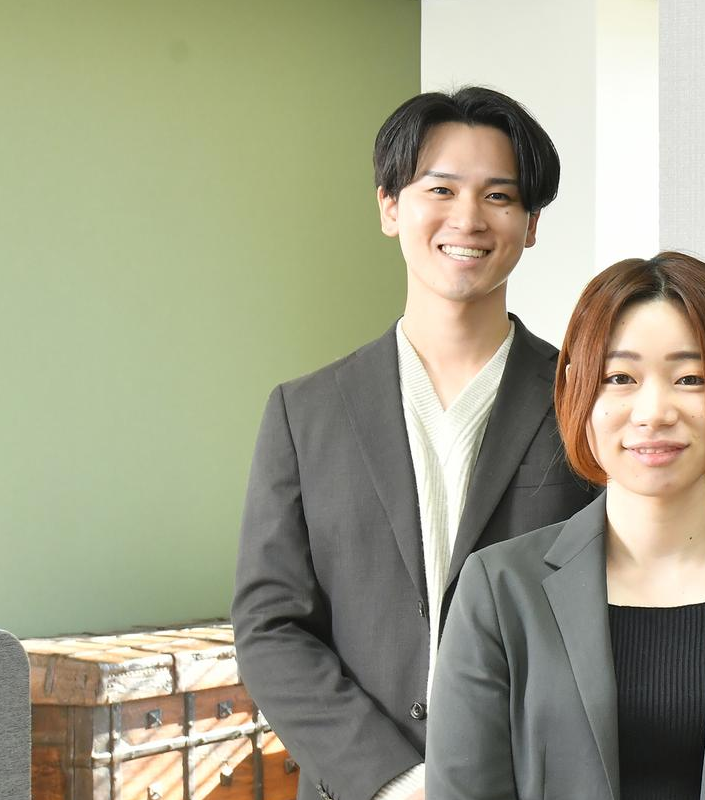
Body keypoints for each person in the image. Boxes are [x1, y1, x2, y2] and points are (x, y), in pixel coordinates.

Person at [233, 87, 597, 800]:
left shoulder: (587, 402)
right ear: (390, 207)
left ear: (530, 225)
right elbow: (270, 628)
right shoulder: (304, 414)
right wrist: (396, 781)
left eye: (499, 196)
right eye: (441, 189)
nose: (468, 218)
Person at [427, 252, 705, 799]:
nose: (654, 411)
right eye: (620, 378)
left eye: (690, 378)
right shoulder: (498, 589)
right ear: (576, 391)